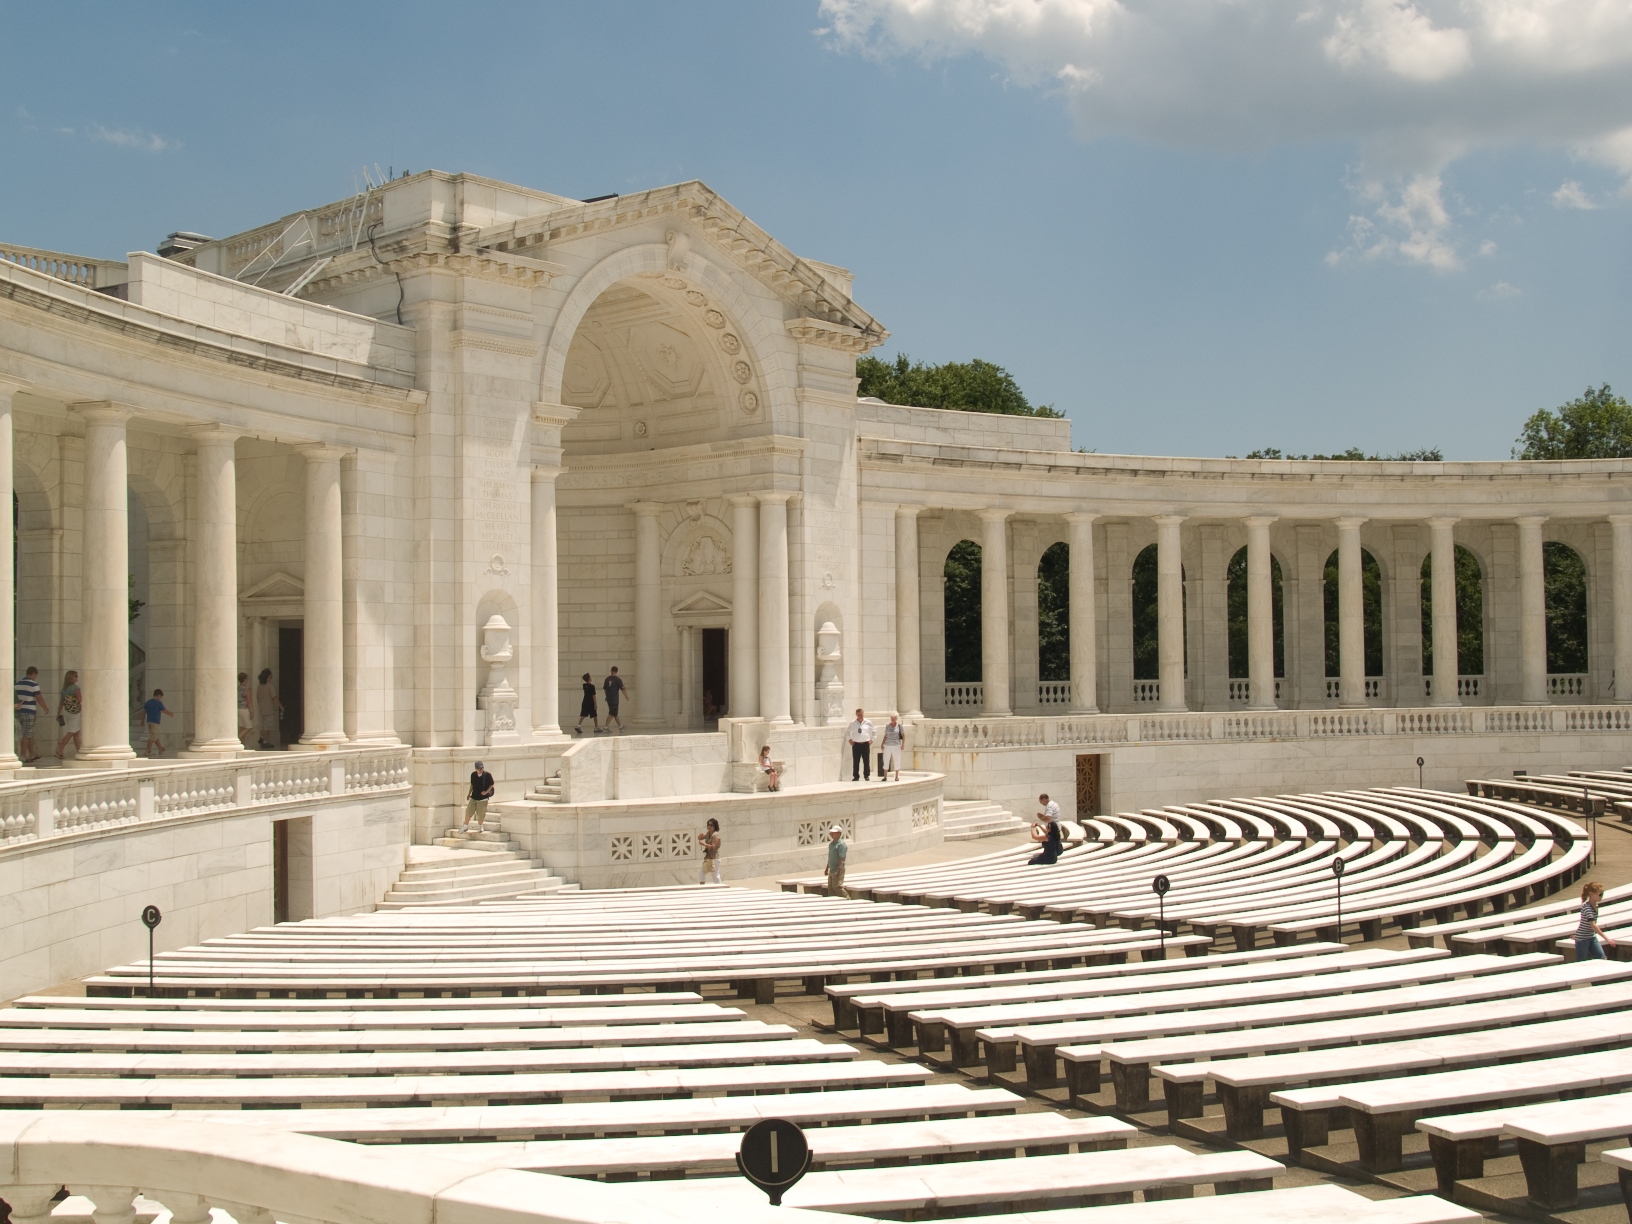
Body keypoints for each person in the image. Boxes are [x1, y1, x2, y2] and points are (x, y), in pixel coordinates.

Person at [1576, 880, 1616, 960]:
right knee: (1581, 961)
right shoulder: (1587, 908)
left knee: (1602, 958)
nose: (1602, 896)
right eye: (1600, 894)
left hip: (1591, 936)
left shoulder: (1596, 906)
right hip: (1582, 938)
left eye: (1602, 894)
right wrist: (1607, 939)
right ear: (1591, 894)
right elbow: (1593, 925)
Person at [14, 666, 47, 764]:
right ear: (33, 674)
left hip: (18, 711)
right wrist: (45, 707)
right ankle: (23, 756)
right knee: (26, 734)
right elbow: (39, 697)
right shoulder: (33, 684)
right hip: (29, 712)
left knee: (28, 733)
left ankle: (32, 754)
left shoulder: (18, 684)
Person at [1029, 793, 1064, 865]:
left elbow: (1048, 818)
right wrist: (1039, 825)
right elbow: (1047, 831)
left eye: (1041, 802)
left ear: (1044, 799)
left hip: (1049, 858)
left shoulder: (1049, 806)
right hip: (1055, 828)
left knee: (1031, 861)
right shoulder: (1054, 804)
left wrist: (1034, 827)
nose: (1041, 804)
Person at [54, 670, 81, 760]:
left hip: (67, 712)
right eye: (75, 676)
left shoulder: (64, 689)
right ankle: (59, 750)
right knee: (71, 732)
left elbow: (61, 703)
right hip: (75, 712)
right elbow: (80, 699)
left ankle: (79, 751)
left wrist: (58, 714)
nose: (77, 677)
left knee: (76, 732)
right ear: (71, 677)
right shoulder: (75, 688)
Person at [464, 760, 495, 834]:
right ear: (476, 769)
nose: (480, 770)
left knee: (480, 814)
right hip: (474, 797)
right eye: (479, 769)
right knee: (468, 812)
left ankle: (480, 827)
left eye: (482, 768)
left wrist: (486, 792)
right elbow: (472, 785)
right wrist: (469, 793)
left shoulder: (487, 775)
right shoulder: (473, 775)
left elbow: (492, 784)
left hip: (483, 799)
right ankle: (465, 826)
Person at [255, 669, 283, 750]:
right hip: (269, 708)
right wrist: (281, 707)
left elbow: (257, 697)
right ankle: (265, 740)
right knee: (268, 725)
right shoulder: (270, 685)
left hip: (261, 708)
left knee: (263, 724)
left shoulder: (259, 686)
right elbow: (274, 697)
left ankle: (261, 737)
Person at [141, 689, 173, 758]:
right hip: (155, 722)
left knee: (155, 736)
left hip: (149, 721)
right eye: (160, 696)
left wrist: (142, 720)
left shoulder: (147, 702)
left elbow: (144, 712)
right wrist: (170, 713)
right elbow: (164, 710)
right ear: (158, 695)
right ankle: (147, 751)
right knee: (152, 737)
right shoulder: (158, 703)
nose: (160, 698)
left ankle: (160, 748)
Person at [846, 708, 875, 782]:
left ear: (863, 714)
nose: (860, 716)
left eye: (861, 714)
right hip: (856, 744)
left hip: (865, 744)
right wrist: (849, 740)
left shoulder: (868, 722)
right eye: (858, 714)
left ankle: (866, 775)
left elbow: (874, 731)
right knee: (856, 761)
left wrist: (872, 740)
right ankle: (856, 776)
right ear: (856, 715)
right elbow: (848, 732)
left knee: (866, 761)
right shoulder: (853, 723)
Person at [602, 667, 629, 733]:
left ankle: (620, 726)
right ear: (616, 671)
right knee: (612, 712)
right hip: (614, 699)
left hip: (609, 699)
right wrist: (626, 696)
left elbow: (605, 689)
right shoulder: (618, 680)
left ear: (611, 671)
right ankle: (606, 727)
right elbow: (623, 689)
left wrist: (606, 696)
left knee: (614, 712)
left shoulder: (607, 679)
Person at [880, 713, 905, 782]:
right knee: (886, 759)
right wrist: (882, 744)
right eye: (891, 718)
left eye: (894, 718)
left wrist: (903, 744)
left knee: (897, 759)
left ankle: (896, 776)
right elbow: (886, 735)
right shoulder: (887, 726)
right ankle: (885, 776)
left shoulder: (899, 726)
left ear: (896, 718)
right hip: (887, 744)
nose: (892, 719)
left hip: (896, 745)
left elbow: (903, 735)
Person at [825, 824, 848, 897]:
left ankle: (847, 898)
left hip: (837, 869)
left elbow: (842, 858)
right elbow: (830, 857)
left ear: (839, 834)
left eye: (834, 833)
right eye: (831, 833)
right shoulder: (832, 844)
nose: (832, 834)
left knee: (837, 887)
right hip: (832, 869)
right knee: (830, 888)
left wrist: (839, 870)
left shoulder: (841, 845)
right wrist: (827, 868)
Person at [698, 817, 722, 885]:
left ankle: (720, 889)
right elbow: (700, 838)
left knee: (715, 875)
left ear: (715, 826)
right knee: (702, 872)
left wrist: (704, 844)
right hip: (708, 857)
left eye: (711, 825)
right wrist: (700, 836)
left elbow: (713, 847)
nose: (709, 826)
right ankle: (702, 888)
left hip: (715, 857)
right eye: (708, 825)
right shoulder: (708, 833)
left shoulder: (716, 835)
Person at [236, 672, 254, 748]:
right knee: (249, 727)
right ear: (244, 679)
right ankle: (237, 738)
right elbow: (249, 701)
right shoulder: (247, 689)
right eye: (247, 678)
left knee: (242, 727)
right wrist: (252, 711)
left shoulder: (237, 688)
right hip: (244, 709)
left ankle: (243, 744)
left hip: (238, 709)